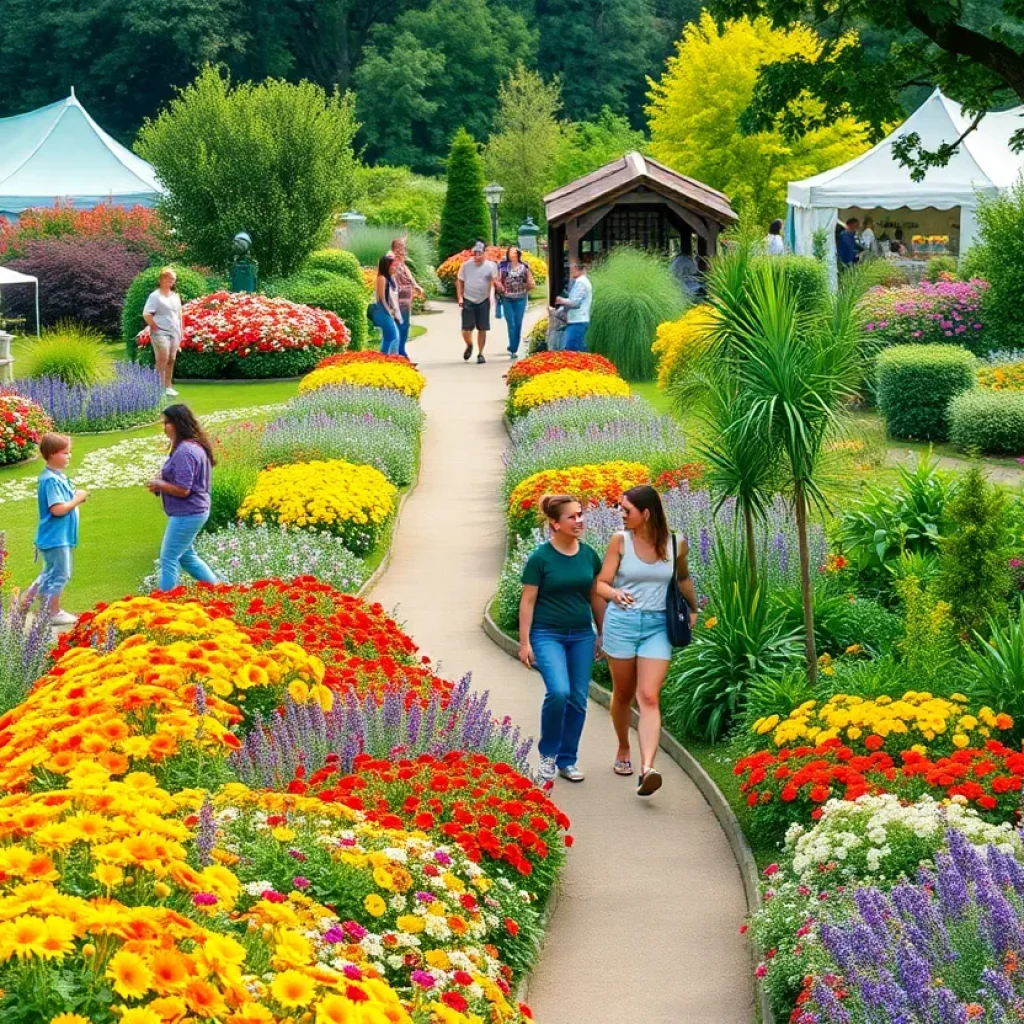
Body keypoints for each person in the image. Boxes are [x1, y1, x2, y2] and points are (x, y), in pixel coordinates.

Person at [595, 485, 698, 797]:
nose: (622, 515)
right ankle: (624, 749)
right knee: (623, 693)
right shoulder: (619, 541)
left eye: (627, 510)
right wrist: (614, 593)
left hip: (657, 626)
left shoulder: (676, 543)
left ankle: (647, 768)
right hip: (622, 624)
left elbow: (682, 579)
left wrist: (693, 609)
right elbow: (601, 583)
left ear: (647, 513)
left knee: (649, 696)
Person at [518, 494, 605, 784]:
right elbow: (528, 601)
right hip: (547, 634)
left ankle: (567, 761)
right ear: (555, 523)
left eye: (580, 514)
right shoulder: (541, 558)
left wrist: (602, 633)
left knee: (578, 699)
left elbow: (594, 595)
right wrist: (525, 642)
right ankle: (547, 757)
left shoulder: (589, 555)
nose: (579, 521)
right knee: (558, 692)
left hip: (581, 634)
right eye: (572, 516)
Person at [148, 404, 221, 592]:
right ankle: (219, 589)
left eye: (166, 423)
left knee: (168, 557)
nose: (164, 427)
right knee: (186, 556)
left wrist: (159, 484)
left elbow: (183, 489)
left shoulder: (185, 451)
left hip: (188, 513)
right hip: (195, 510)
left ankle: (166, 601)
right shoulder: (190, 446)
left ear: (177, 424)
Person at [22, 433, 87, 625]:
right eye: (65, 453)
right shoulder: (50, 480)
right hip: (56, 537)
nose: (69, 456)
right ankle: (52, 612)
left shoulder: (57, 477)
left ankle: (27, 605)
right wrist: (77, 499)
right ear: (51, 454)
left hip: (58, 537)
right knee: (60, 574)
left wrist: (74, 494)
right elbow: (57, 509)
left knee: (48, 574)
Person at [143, 267, 184, 398]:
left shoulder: (175, 296)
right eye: (170, 279)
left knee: (171, 359)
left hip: (174, 331)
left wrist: (181, 332)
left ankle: (168, 387)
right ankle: (157, 389)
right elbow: (146, 314)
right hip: (161, 332)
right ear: (163, 279)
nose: (173, 281)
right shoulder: (155, 296)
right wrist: (154, 326)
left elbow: (180, 315)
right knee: (163, 358)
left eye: (174, 279)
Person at [457, 241, 498, 364]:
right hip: (468, 298)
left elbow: (493, 281)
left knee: (482, 328)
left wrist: (492, 295)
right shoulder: (466, 266)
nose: (476, 256)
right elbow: (459, 281)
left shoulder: (491, 266)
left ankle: (480, 353)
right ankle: (469, 344)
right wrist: (460, 297)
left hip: (483, 300)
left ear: (484, 253)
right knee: (466, 329)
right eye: (474, 253)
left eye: (479, 253)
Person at [497, 247, 536, 361]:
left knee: (518, 323)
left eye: (513, 253)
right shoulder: (503, 267)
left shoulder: (524, 267)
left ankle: (514, 347)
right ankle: (513, 348)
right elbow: (498, 279)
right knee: (511, 323)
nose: (511, 255)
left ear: (518, 254)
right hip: (507, 298)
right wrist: (499, 286)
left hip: (521, 298)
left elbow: (530, 281)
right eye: (510, 253)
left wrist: (529, 286)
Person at [391, 237, 425, 359]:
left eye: (403, 248)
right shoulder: (392, 263)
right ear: (395, 248)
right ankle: (399, 352)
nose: (403, 251)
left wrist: (417, 287)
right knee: (400, 326)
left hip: (406, 301)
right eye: (400, 247)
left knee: (405, 326)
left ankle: (401, 350)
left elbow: (410, 278)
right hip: (397, 301)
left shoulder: (403, 264)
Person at [370, 253, 403, 356]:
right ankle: (385, 357)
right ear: (386, 266)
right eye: (393, 265)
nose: (395, 267)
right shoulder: (382, 278)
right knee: (392, 336)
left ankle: (390, 357)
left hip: (387, 311)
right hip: (382, 311)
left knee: (392, 336)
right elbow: (381, 298)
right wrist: (389, 311)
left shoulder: (390, 278)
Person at [554, 262, 592, 352]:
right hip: (577, 320)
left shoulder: (581, 282)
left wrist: (560, 300)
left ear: (580, 269)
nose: (571, 271)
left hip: (578, 321)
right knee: (576, 349)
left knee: (572, 350)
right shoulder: (581, 281)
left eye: (573, 268)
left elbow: (575, 302)